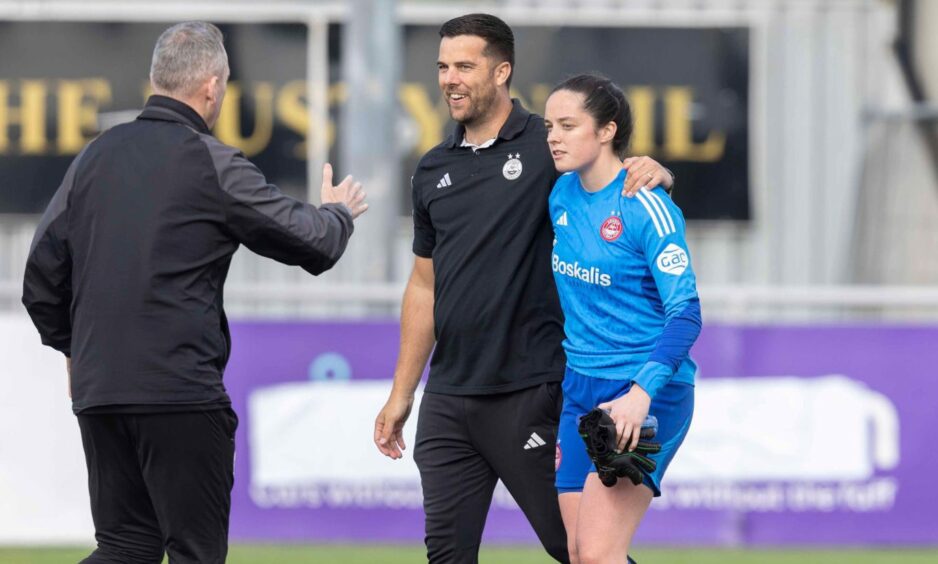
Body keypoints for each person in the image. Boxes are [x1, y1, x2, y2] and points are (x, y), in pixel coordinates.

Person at [22, 21, 367, 564]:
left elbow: (39, 275)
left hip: (101, 391)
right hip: (178, 392)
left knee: (124, 547)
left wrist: (74, 347)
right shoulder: (211, 160)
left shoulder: (93, 157)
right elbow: (313, 243)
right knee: (195, 553)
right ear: (211, 87)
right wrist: (338, 213)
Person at [372, 13, 673, 564]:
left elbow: (614, 180)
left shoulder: (548, 146)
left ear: (502, 71)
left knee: (581, 552)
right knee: (446, 556)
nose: (450, 78)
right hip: (448, 400)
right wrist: (402, 392)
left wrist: (654, 170)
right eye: (442, 66)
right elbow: (422, 286)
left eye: (465, 65)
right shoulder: (432, 168)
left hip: (531, 393)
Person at [545, 73, 701, 563]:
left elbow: (687, 315)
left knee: (596, 554)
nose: (553, 136)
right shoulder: (561, 195)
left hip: (644, 393)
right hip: (580, 389)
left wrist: (641, 393)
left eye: (568, 125)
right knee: (580, 554)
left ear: (607, 130)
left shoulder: (647, 205)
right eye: (550, 125)